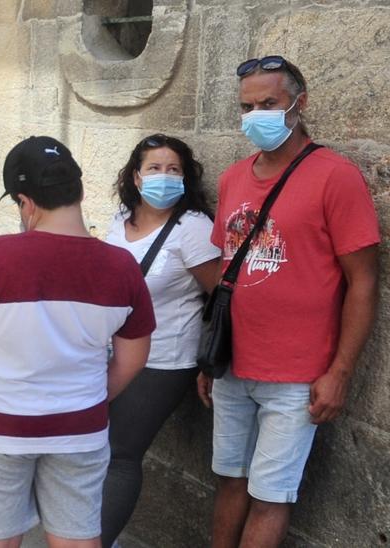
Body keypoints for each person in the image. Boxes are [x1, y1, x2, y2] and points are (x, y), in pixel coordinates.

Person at [0, 136, 154, 548]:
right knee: (77, 538)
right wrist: (90, 396)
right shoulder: (122, 267)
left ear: (25, 202)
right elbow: (134, 356)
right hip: (79, 429)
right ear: (79, 192)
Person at [199, 56, 379, 548]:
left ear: (298, 104)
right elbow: (226, 271)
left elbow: (362, 282)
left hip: (296, 374)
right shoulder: (235, 177)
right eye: (247, 106)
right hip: (233, 364)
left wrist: (339, 371)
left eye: (268, 103)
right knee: (230, 480)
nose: (256, 114)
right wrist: (210, 358)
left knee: (270, 496)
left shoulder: (335, 176)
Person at [99, 135, 221, 546]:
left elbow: (218, 298)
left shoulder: (193, 229)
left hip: (163, 359)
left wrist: (214, 367)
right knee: (92, 450)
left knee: (120, 453)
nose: (164, 177)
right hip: (113, 353)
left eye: (174, 170)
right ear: (136, 176)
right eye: (154, 168)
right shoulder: (121, 220)